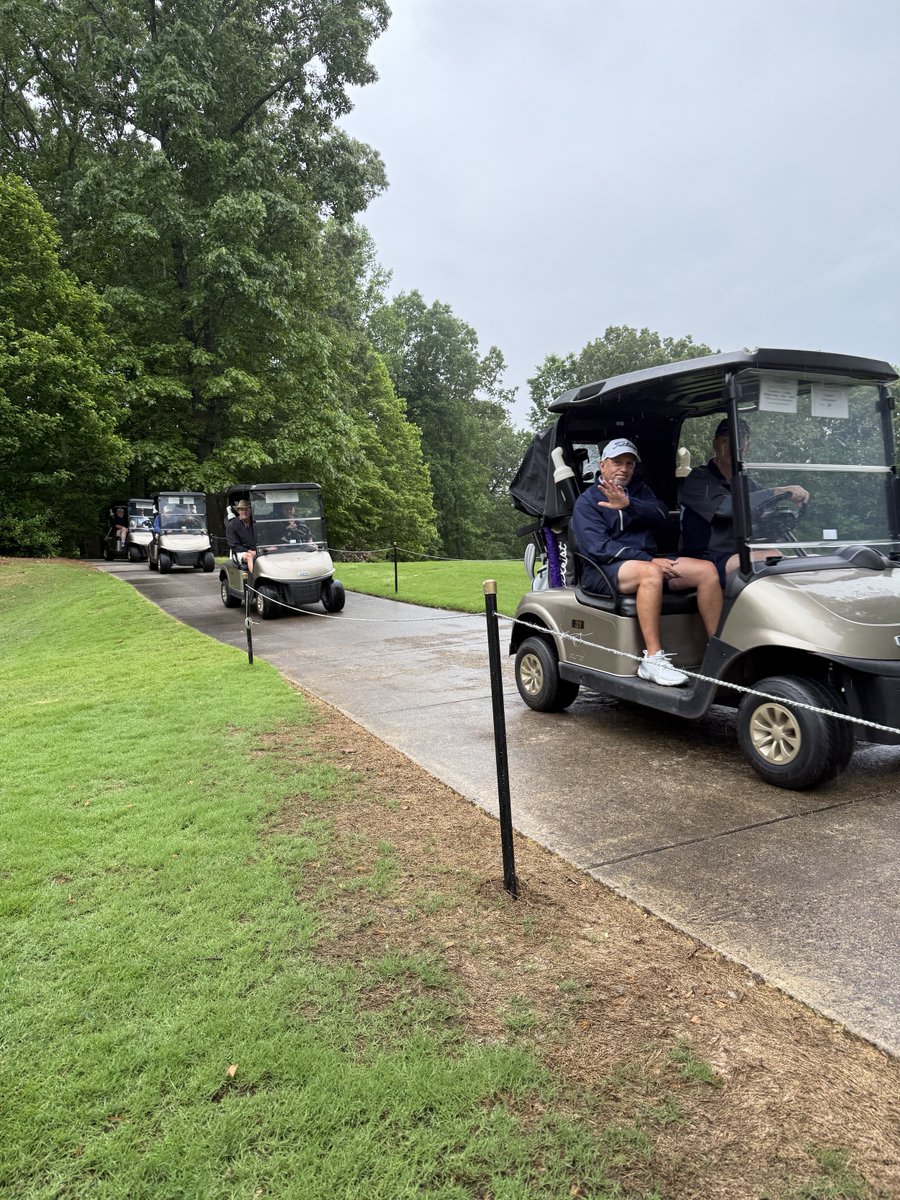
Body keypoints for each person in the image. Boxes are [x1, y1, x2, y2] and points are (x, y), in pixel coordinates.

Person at [570, 438, 724, 688]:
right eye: (617, 462)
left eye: (629, 463)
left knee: (706, 571)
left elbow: (663, 516)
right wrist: (648, 560)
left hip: (644, 563)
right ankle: (652, 659)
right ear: (602, 465)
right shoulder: (587, 502)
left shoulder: (640, 491)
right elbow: (598, 549)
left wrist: (630, 505)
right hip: (602, 571)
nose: (624, 468)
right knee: (651, 573)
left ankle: (718, 654)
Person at [680, 418, 810, 583]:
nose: (733, 447)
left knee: (804, 562)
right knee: (772, 558)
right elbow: (725, 508)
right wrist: (778, 491)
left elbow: (760, 512)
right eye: (726, 440)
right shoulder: (698, 478)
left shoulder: (746, 483)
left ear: (746, 445)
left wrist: (777, 520)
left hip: (739, 553)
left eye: (739, 441)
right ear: (715, 444)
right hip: (704, 558)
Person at [226, 499, 256, 571]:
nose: (244, 512)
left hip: (257, 549)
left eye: (246, 510)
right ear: (238, 511)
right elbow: (233, 544)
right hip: (241, 552)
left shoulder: (255, 523)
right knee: (250, 556)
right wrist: (249, 551)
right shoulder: (233, 525)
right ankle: (254, 579)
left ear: (250, 511)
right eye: (242, 510)